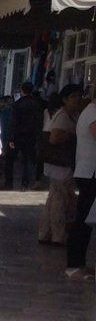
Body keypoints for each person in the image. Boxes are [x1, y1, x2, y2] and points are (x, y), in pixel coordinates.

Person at [39, 84, 81, 245]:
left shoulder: (71, 115)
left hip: (59, 163)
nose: (77, 99)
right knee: (59, 200)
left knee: (54, 198)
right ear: (65, 99)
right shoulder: (63, 116)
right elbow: (54, 138)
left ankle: (45, 233)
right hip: (59, 163)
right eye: (73, 96)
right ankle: (58, 234)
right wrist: (71, 136)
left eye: (78, 95)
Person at [67, 84, 96, 278]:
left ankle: (79, 263)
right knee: (83, 220)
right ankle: (75, 265)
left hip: (88, 172)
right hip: (89, 173)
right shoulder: (92, 114)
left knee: (85, 219)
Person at [4, 81, 45, 190]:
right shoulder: (37, 105)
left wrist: (11, 138)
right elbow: (40, 121)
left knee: (10, 159)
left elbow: (13, 122)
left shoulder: (17, 105)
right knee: (28, 160)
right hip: (31, 136)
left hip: (18, 135)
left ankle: (9, 182)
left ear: (22, 90)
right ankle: (25, 183)